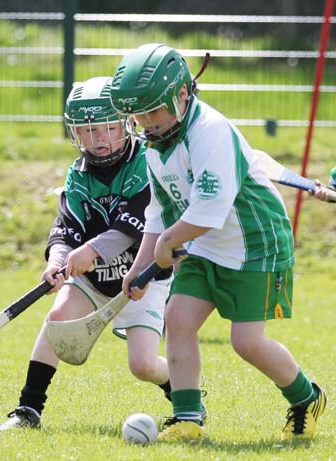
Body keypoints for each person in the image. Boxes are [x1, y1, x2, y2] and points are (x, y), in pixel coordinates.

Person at [110, 43, 327, 442]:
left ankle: (306, 397)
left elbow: (209, 209)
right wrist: (142, 266)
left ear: (181, 96)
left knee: (246, 342)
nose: (145, 121)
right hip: (202, 242)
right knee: (177, 319)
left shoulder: (209, 132)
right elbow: (161, 212)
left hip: (255, 243)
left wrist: (167, 245)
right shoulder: (156, 146)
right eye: (137, 113)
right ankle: (188, 418)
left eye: (152, 110)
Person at [0, 76, 176, 431]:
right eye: (89, 131)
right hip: (94, 279)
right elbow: (66, 227)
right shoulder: (77, 175)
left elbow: (133, 225)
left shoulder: (147, 161)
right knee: (58, 316)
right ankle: (28, 410)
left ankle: (185, 394)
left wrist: (91, 250)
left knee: (142, 365)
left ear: (126, 123)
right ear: (75, 133)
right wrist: (58, 261)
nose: (100, 140)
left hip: (142, 275)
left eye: (109, 128)